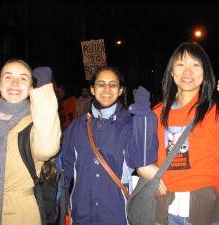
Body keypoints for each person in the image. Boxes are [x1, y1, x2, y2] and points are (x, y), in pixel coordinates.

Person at [152, 42, 219, 225]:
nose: (188, 71)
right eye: (181, 64)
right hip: (163, 211)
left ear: (205, 73)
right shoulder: (157, 112)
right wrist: (145, 167)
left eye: (196, 65)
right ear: (171, 72)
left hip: (207, 212)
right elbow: (144, 154)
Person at [62, 65, 159, 225]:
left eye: (113, 84)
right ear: (92, 89)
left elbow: (142, 159)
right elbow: (65, 171)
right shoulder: (76, 126)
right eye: (101, 84)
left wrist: (143, 117)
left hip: (117, 215)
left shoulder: (130, 123)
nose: (107, 89)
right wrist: (64, 206)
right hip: (81, 215)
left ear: (120, 90)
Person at [0, 60, 62, 225]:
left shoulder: (36, 125)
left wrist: (43, 94)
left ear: (31, 88)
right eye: (8, 77)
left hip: (21, 213)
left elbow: (47, 149)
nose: (15, 83)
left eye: (23, 78)